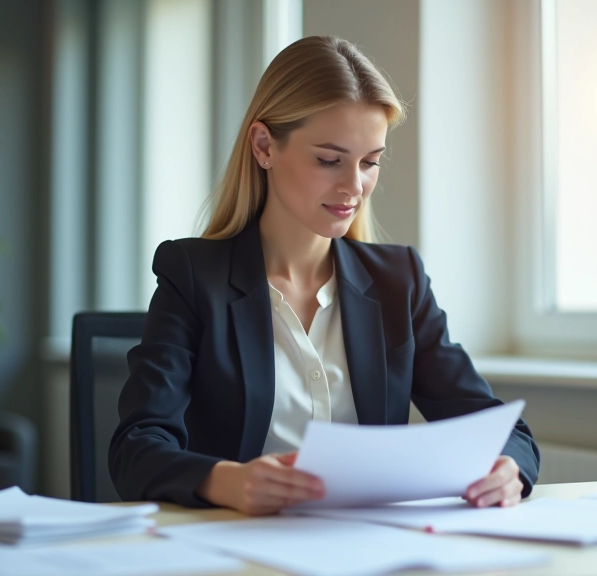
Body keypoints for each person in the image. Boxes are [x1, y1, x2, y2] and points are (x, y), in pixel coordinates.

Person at [109, 35, 539, 516]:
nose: (354, 186)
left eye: (370, 162)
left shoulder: (400, 281)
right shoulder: (193, 277)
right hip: (235, 546)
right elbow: (136, 450)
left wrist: (507, 468)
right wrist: (229, 482)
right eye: (330, 160)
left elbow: (502, 431)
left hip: (368, 548)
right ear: (264, 145)